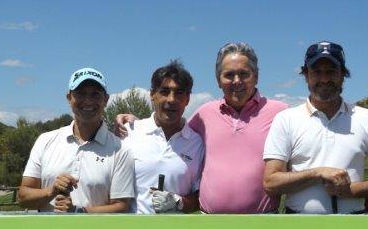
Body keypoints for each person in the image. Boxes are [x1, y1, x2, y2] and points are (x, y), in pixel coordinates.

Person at [115, 42, 288, 213]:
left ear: (256, 76)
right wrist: (137, 125)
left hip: (263, 223)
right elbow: (171, 126)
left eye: (244, 74)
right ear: (218, 80)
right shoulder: (204, 114)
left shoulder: (280, 112)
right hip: (208, 227)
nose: (237, 81)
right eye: (229, 75)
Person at [263, 41, 368, 214]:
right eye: (316, 72)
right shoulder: (286, 119)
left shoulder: (366, 118)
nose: (324, 79)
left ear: (343, 74)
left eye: (331, 72)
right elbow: (270, 183)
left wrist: (352, 191)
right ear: (306, 75)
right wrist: (317, 173)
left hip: (353, 227)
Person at [18, 67, 134, 213]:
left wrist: (78, 211)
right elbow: (23, 197)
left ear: (105, 100)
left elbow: (121, 206)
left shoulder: (120, 150)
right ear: (69, 98)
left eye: (95, 95)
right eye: (80, 94)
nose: (88, 101)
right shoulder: (45, 140)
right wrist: (51, 191)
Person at [123, 60, 204, 214]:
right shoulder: (130, 133)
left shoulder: (196, 143)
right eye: (164, 91)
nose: (171, 99)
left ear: (187, 99)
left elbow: (201, 196)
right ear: (152, 95)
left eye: (179, 93)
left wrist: (179, 202)